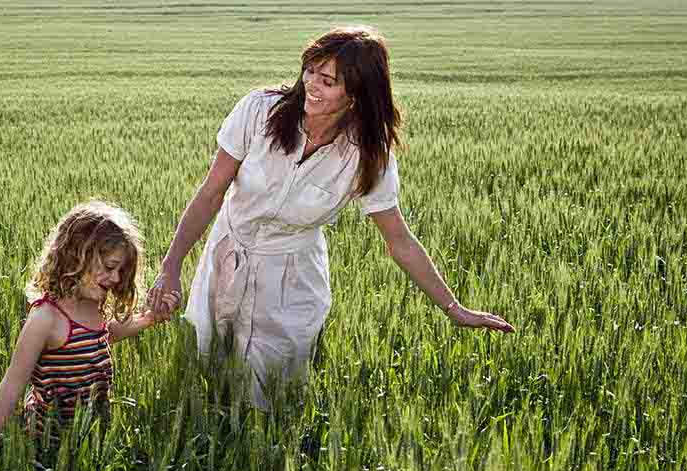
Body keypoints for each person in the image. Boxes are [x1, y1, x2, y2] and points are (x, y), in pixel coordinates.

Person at [146, 26, 514, 410]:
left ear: (357, 95)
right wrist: (171, 266)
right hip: (227, 258)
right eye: (310, 72)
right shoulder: (258, 111)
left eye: (328, 81)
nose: (311, 86)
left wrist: (453, 308)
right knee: (206, 372)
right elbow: (210, 195)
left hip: (290, 282)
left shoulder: (367, 156)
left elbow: (399, 241)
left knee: (269, 398)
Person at [0, 201, 179, 456]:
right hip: (50, 440)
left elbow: (105, 335)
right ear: (75, 257)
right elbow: (15, 380)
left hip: (94, 430)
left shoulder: (94, 304)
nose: (115, 278)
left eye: (120, 271)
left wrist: (148, 318)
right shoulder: (46, 318)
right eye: (110, 267)